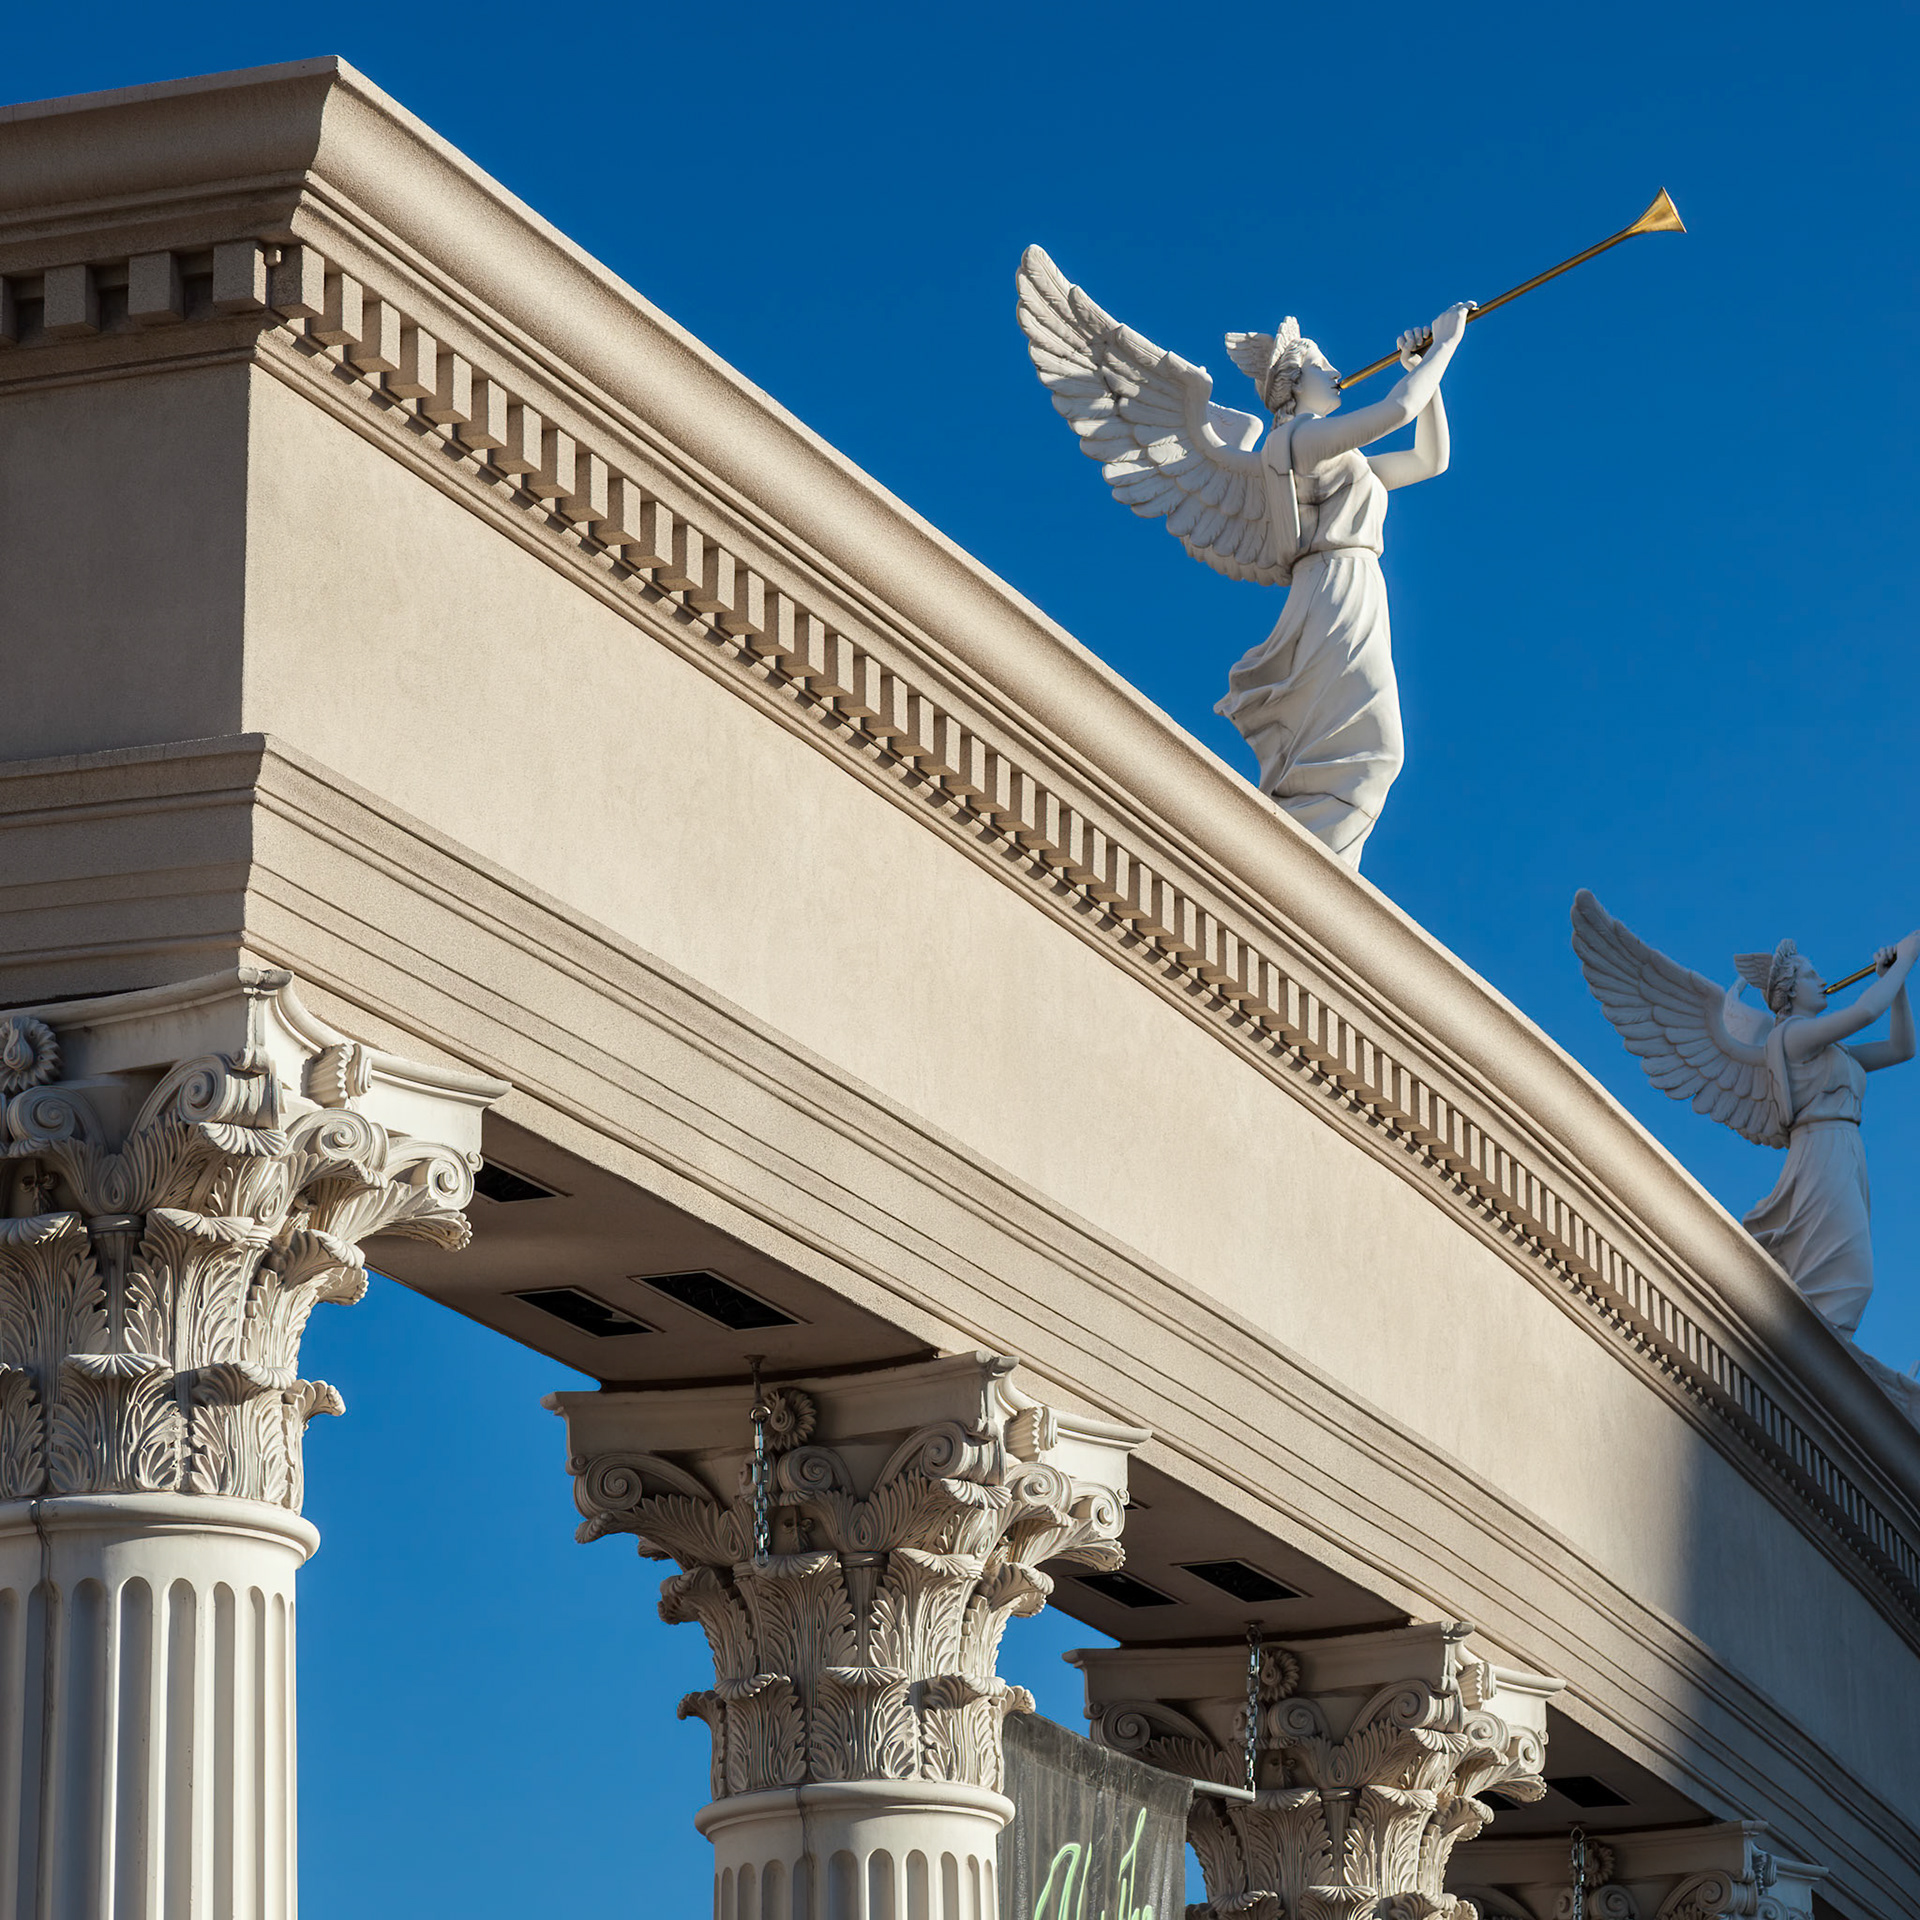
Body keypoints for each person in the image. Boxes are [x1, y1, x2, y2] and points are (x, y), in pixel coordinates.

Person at [1215, 303, 1473, 864]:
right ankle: (1309, 870)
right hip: (1333, 585)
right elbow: (1400, 411)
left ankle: (1316, 867)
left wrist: (1420, 370)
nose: (1336, 373)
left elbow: (1431, 460)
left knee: (1368, 749)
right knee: (1373, 749)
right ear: (1293, 385)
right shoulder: (1293, 444)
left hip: (1356, 585)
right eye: (1322, 366)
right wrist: (1446, 347)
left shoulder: (1342, 460)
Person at [1742, 930, 1920, 1331]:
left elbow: (1901, 1048)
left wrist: (1896, 983)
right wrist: (1907, 958)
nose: (1820, 981)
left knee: (1843, 1274)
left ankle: (1816, 1356)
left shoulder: (1833, 1051)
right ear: (1788, 991)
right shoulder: (1791, 1036)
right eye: (1810, 975)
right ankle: (1812, 1366)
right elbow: (1864, 1014)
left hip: (1846, 1152)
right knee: (1851, 1276)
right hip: (1821, 1150)